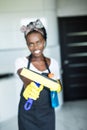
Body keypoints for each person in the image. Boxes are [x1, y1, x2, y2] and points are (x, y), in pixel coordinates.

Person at [15, 19, 61, 130]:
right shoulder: (21, 62)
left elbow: (58, 83)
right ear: (27, 45)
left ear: (44, 41)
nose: (35, 47)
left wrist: (58, 86)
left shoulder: (53, 63)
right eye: (31, 44)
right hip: (27, 113)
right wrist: (29, 84)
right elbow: (23, 74)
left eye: (38, 42)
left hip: (47, 112)